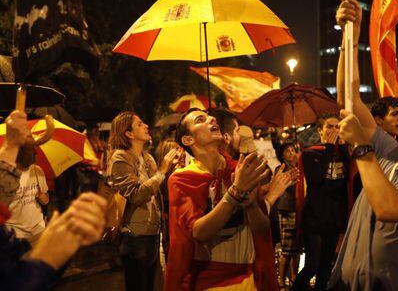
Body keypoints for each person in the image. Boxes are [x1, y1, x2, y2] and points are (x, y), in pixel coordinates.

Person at [329, 0, 398, 290]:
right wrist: (349, 37)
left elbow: (390, 207)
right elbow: (349, 100)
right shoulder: (397, 151)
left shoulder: (379, 151)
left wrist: (362, 150)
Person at [166, 108, 290, 290]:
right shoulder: (182, 179)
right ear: (188, 140)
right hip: (208, 283)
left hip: (249, 281)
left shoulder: (241, 170)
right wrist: (235, 193)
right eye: (201, 119)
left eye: (211, 117)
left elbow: (263, 228)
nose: (211, 119)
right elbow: (199, 233)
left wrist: (250, 206)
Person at [0, 110, 107, 290]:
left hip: (37, 232)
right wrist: (49, 257)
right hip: (19, 235)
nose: (34, 154)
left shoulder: (37, 171)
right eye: (29, 151)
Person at [107, 111, 179, 291]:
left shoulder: (148, 157)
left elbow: (158, 191)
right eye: (139, 124)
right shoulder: (120, 158)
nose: (146, 126)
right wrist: (162, 171)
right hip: (135, 235)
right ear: (129, 133)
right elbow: (136, 195)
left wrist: (172, 170)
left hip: (153, 232)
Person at [292, 114, 352, 291]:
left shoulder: (344, 153)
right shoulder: (311, 153)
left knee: (326, 269)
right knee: (312, 266)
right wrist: (328, 148)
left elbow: (349, 178)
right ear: (320, 131)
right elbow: (316, 180)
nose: (334, 130)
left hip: (334, 219)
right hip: (315, 220)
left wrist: (341, 150)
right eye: (330, 127)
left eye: (337, 127)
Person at [339, 110, 398, 223]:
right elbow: (356, 109)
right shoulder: (397, 153)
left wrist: (360, 146)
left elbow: (388, 209)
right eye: (394, 114)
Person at [6, 150, 49, 246]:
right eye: (29, 153)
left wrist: (43, 198)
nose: (33, 156)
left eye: (33, 153)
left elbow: (46, 200)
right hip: (14, 232)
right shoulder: (6, 175)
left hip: (38, 228)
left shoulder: (37, 170)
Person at [274, 142, 300, 290]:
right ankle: (282, 282)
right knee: (286, 250)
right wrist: (292, 180)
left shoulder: (299, 167)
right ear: (282, 155)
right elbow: (281, 185)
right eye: (287, 151)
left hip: (298, 209)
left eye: (293, 150)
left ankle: (294, 279)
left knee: (295, 249)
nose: (291, 153)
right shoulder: (281, 168)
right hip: (286, 209)